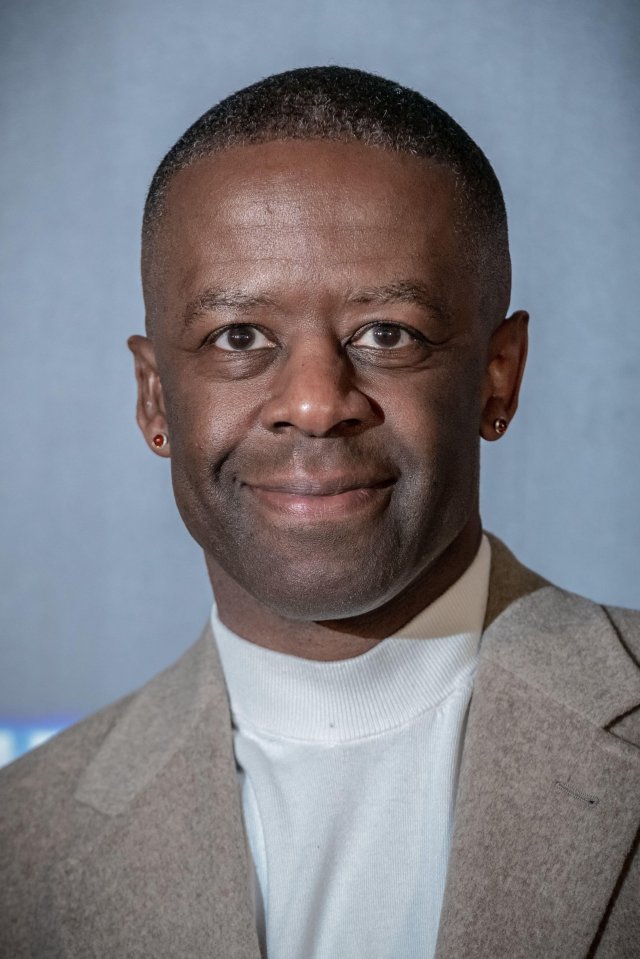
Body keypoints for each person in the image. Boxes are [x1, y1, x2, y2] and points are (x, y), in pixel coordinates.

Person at [1, 66, 638, 959]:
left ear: (500, 375)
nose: (314, 401)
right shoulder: (18, 845)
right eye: (238, 338)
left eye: (388, 333)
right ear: (154, 398)